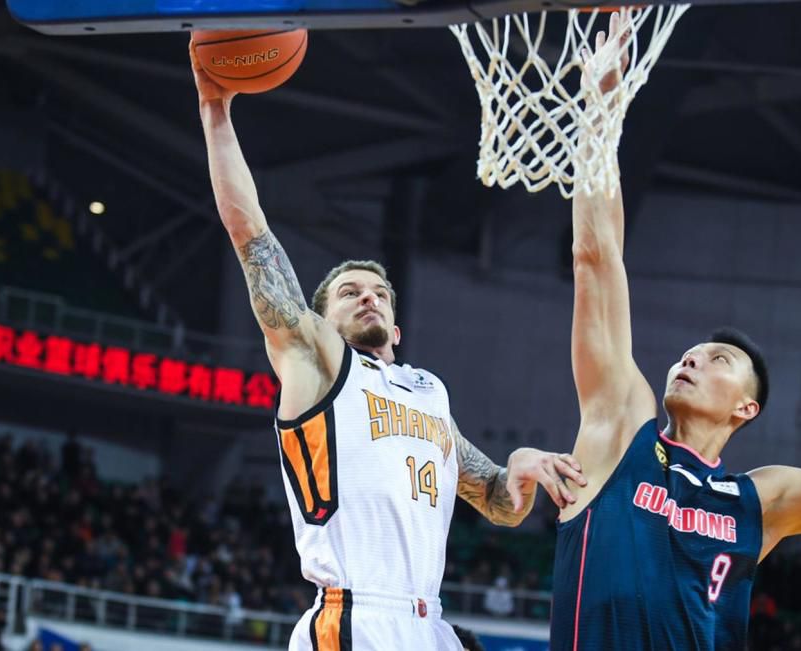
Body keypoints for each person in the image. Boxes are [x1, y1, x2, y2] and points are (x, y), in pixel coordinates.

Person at [550, 12, 801, 651]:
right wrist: (601, 108)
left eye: (717, 358)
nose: (691, 359)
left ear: (747, 406)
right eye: (690, 353)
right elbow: (596, 258)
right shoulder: (620, 429)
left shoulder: (761, 500)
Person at [189, 38, 586, 651]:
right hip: (354, 618)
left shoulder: (428, 393)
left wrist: (525, 468)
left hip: (431, 624)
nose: (368, 297)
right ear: (320, 319)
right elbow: (250, 232)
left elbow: (499, 504)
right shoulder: (317, 361)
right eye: (349, 292)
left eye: (379, 291)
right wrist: (215, 109)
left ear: (397, 329)